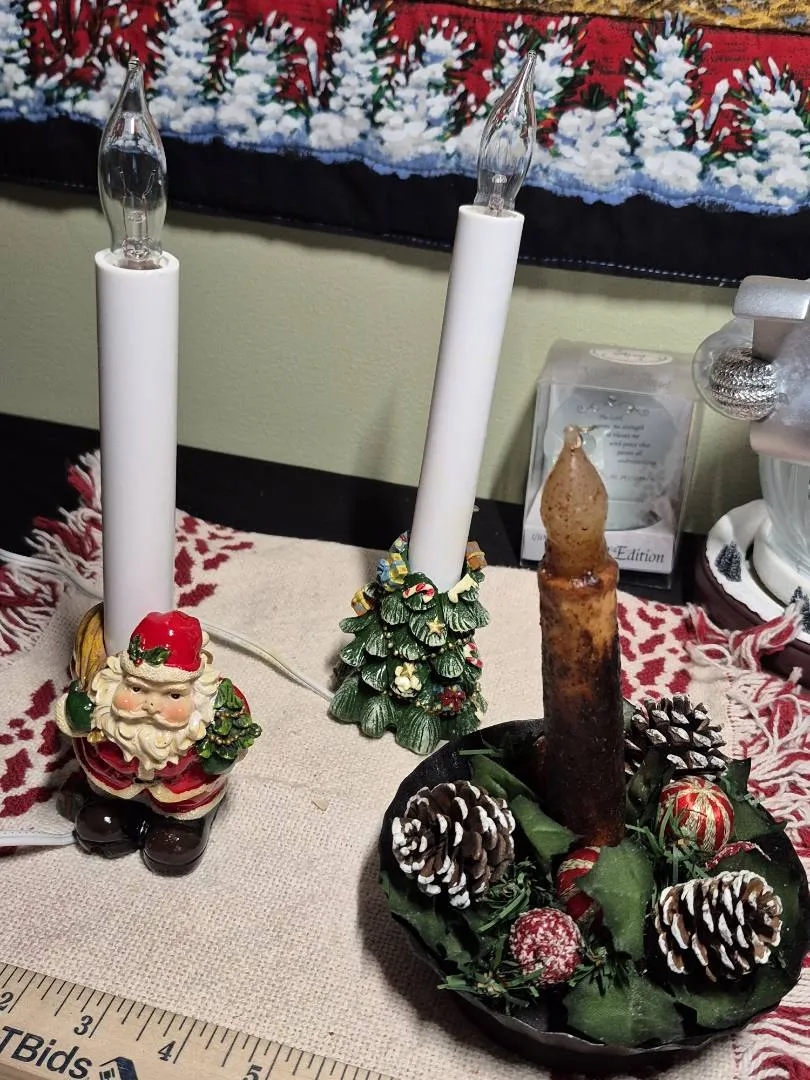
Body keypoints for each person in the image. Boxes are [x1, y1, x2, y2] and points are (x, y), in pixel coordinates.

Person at [56, 610, 260, 875]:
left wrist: (222, 756)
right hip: (114, 785)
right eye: (136, 689)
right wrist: (78, 711)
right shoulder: (102, 704)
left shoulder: (211, 715)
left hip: (182, 797)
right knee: (99, 825)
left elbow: (233, 743)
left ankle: (183, 825)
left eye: (173, 695)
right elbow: (75, 719)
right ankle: (119, 819)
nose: (151, 706)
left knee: (171, 845)